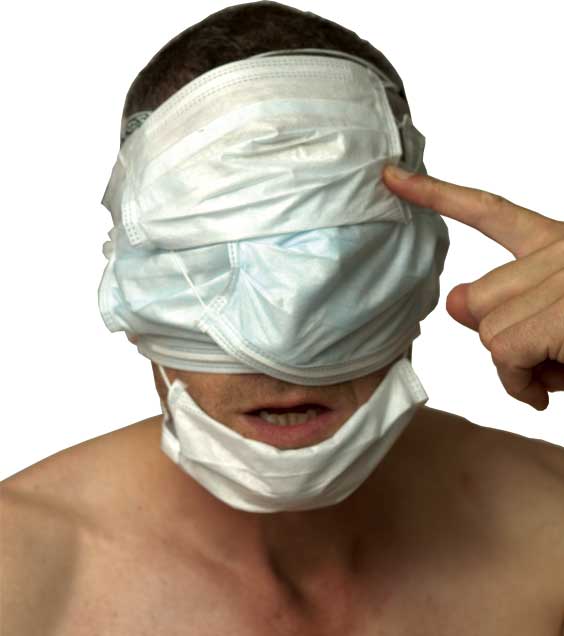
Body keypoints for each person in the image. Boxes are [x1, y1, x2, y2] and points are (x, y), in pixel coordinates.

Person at [2, 2, 564, 634]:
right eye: (210, 261)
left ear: (426, 257)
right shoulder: (19, 577)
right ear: (126, 278)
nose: (286, 342)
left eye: (343, 264)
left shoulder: (554, 531)